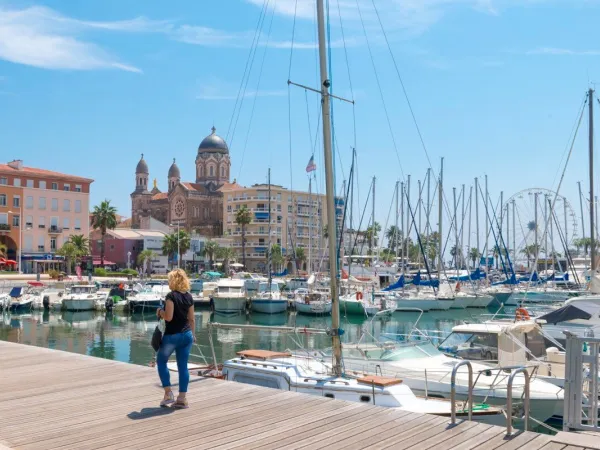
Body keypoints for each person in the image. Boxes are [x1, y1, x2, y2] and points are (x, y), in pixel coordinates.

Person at [156, 268, 195, 409]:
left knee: (161, 362)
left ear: (173, 281)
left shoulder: (171, 296)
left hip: (172, 336)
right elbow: (191, 319)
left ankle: (168, 394)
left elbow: (169, 317)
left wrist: (160, 312)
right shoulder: (189, 297)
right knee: (183, 366)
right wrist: (194, 334)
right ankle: (182, 399)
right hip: (187, 335)